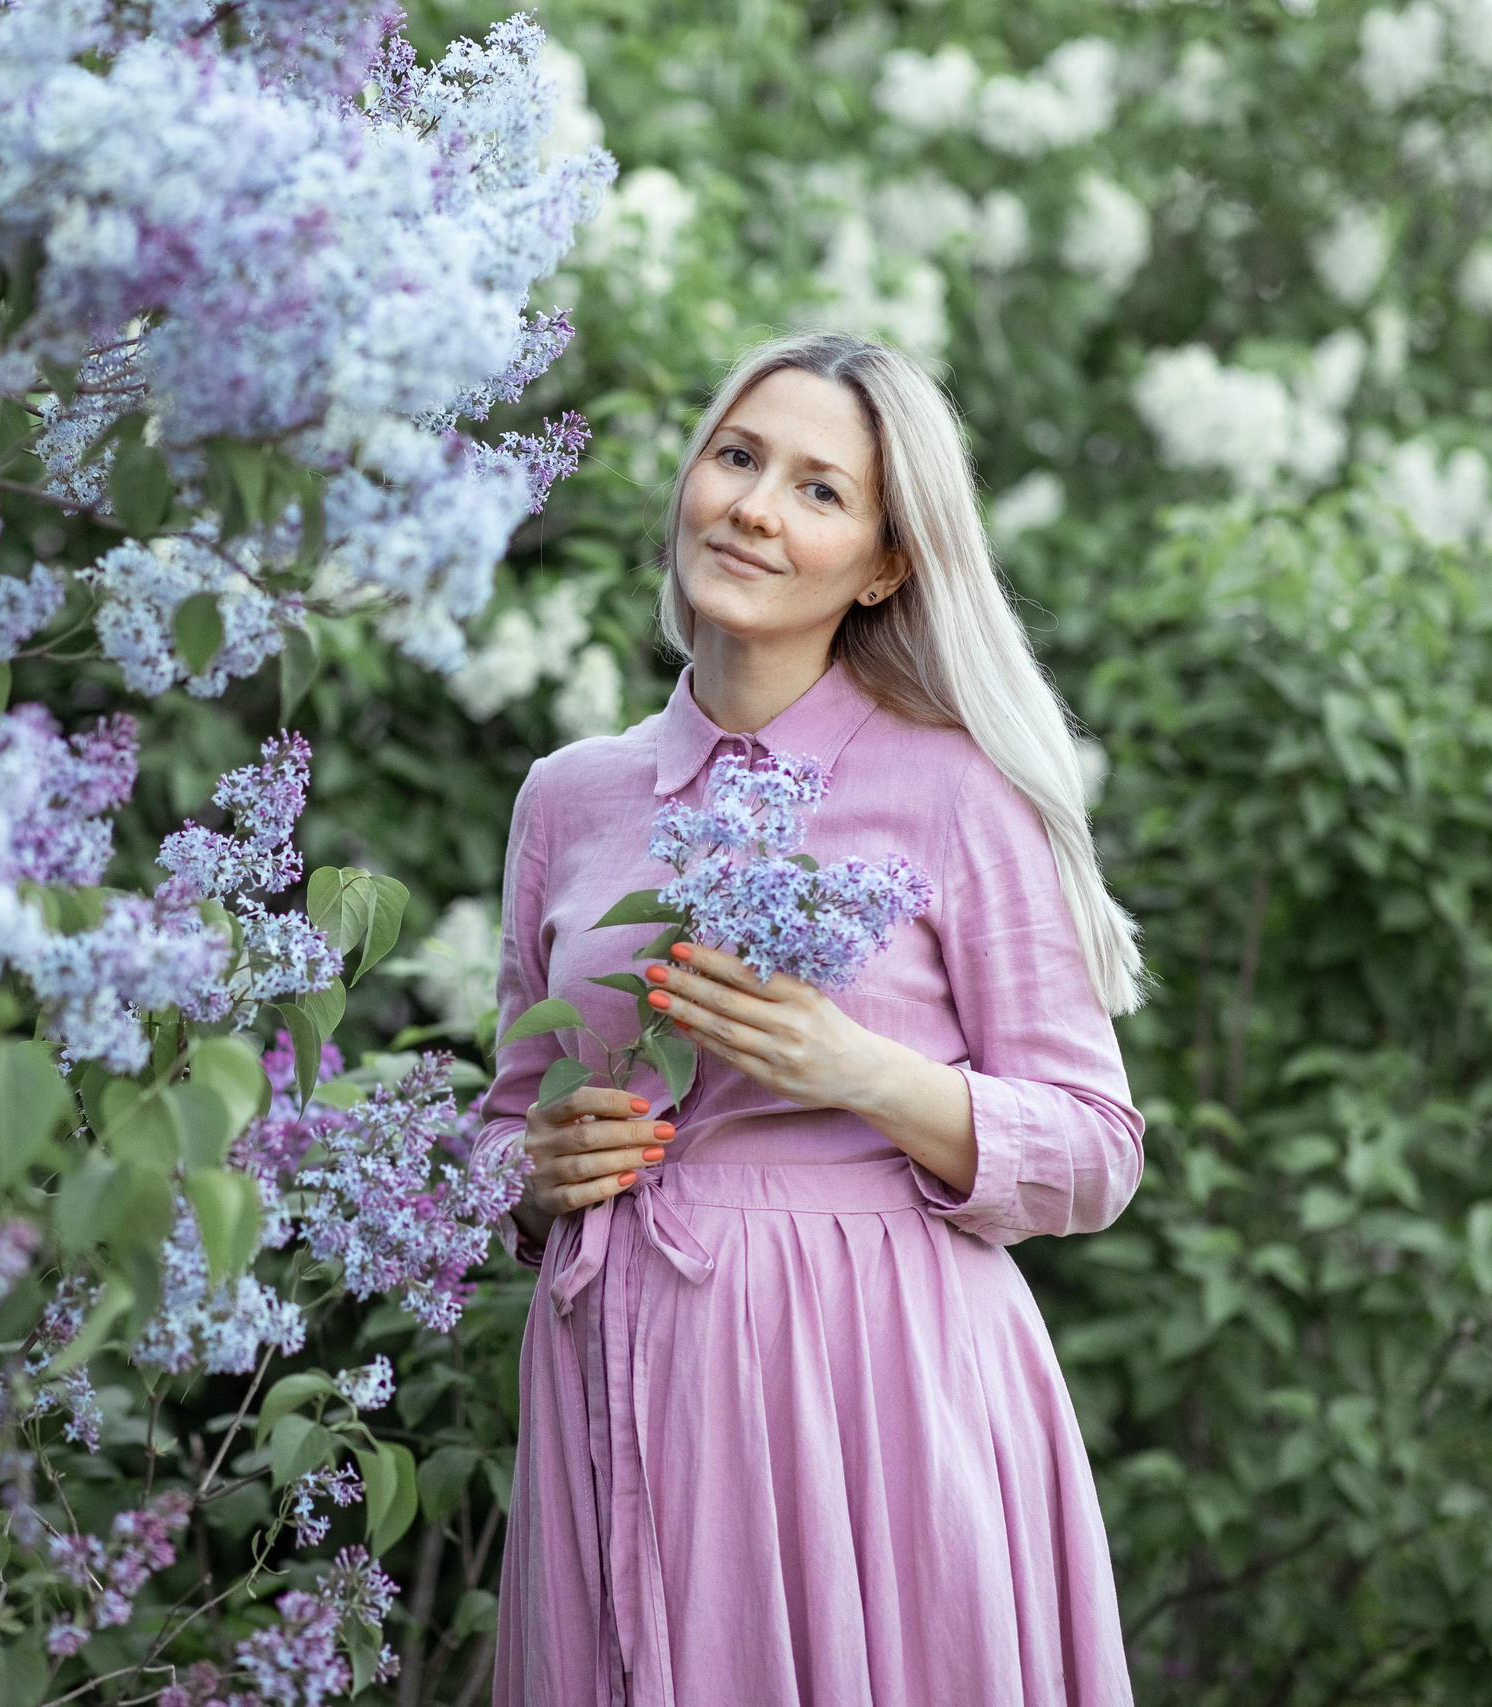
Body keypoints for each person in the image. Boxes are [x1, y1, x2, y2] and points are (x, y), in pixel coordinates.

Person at [484, 330, 1148, 1706]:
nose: (755, 507)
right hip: (620, 1361)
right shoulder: (570, 797)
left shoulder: (964, 794)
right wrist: (536, 1178)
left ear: (887, 564)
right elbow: (510, 1126)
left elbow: (1095, 1148)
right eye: (737, 458)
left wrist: (860, 1071)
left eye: (819, 489)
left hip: (878, 1397)